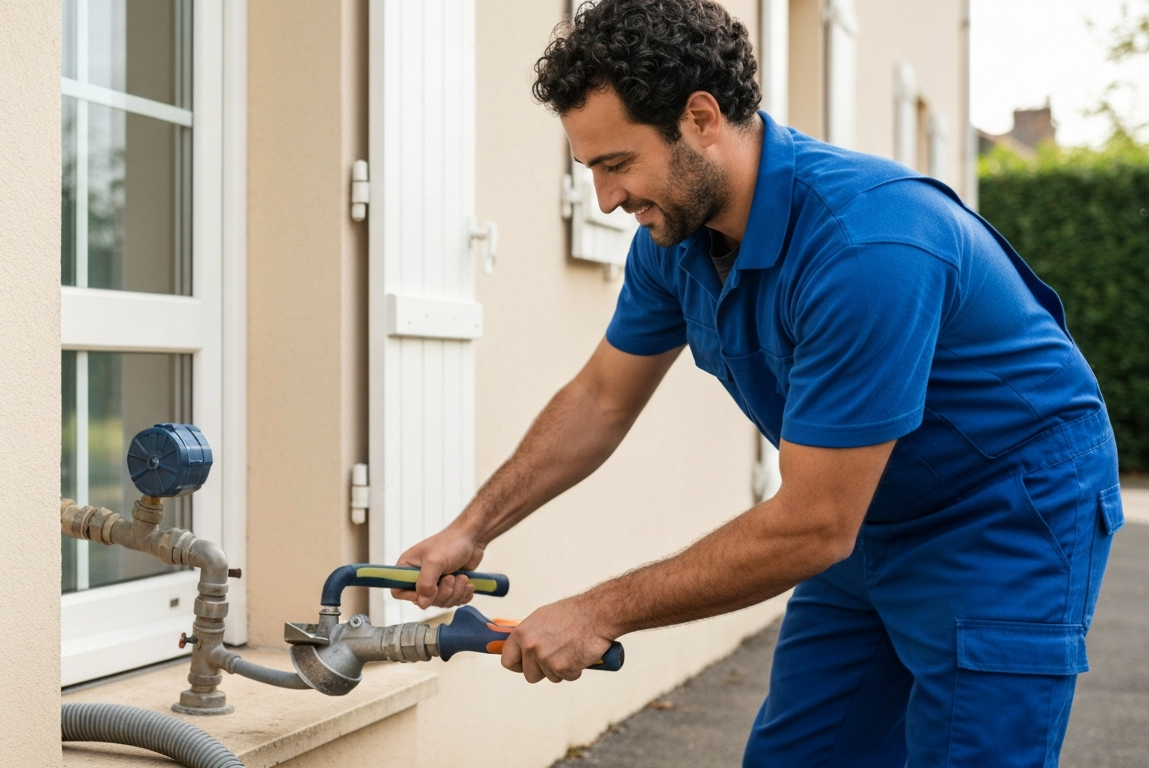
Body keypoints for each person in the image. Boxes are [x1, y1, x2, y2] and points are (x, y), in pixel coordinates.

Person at [388, 1, 1124, 765]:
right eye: (592, 171)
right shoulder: (676, 236)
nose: (607, 200)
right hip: (867, 512)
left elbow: (813, 523)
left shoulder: (867, 247)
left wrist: (600, 611)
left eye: (617, 164)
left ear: (702, 118)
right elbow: (601, 397)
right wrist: (472, 526)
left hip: (1003, 512)